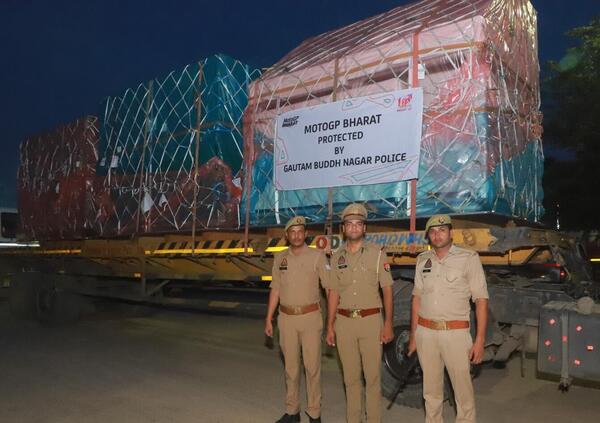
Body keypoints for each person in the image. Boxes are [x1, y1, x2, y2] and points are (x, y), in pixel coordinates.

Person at [407, 214, 488, 423]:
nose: (437, 234)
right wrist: (414, 335)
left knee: (463, 393)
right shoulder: (422, 260)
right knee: (431, 392)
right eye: (433, 231)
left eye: (442, 230)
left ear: (451, 233)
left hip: (456, 335)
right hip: (426, 333)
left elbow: (481, 300)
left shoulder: (468, 258)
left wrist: (479, 340)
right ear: (429, 236)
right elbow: (416, 297)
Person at [325, 203, 394, 423]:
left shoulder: (377, 255)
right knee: (350, 379)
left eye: (358, 224)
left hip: (371, 322)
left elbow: (387, 290)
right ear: (343, 229)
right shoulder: (336, 258)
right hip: (344, 323)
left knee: (372, 378)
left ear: (364, 228)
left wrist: (388, 323)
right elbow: (334, 292)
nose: (353, 228)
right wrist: (330, 325)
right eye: (349, 224)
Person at [265, 215, 329, 423]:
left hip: (310, 318)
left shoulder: (317, 256)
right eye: (292, 232)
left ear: (306, 234)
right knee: (291, 369)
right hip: (286, 319)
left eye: (300, 231)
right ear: (286, 235)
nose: (296, 235)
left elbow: (329, 289)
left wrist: (332, 321)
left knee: (312, 369)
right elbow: (275, 289)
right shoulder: (279, 258)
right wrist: (269, 318)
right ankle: (292, 412)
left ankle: (314, 414)